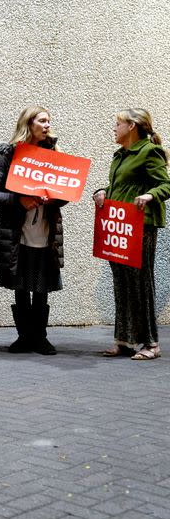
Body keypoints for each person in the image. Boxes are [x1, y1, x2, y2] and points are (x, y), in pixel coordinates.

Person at [0, 106, 66, 355]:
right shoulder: (9, 154)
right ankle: (24, 336)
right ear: (28, 123)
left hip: (45, 230)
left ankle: (40, 337)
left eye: (48, 121)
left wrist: (54, 198)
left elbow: (66, 192)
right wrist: (18, 201)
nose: (47, 125)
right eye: (42, 120)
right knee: (20, 285)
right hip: (16, 231)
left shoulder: (54, 153)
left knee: (41, 287)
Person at [93, 108, 170, 360]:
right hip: (118, 226)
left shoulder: (149, 152)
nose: (114, 128)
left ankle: (151, 343)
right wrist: (103, 191)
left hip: (141, 225)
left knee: (140, 283)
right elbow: (121, 186)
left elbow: (166, 184)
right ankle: (124, 340)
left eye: (118, 123)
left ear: (132, 126)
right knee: (121, 283)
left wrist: (150, 195)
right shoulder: (120, 155)